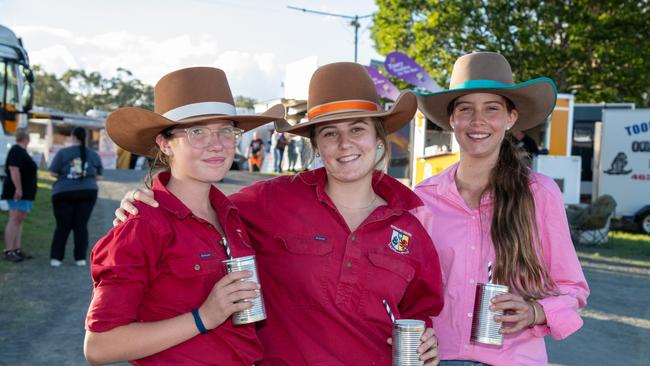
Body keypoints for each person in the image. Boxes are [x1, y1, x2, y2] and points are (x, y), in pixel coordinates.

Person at [116, 62, 444, 365]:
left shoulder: (410, 224)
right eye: (330, 133)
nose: (345, 144)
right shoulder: (270, 201)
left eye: (357, 129)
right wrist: (143, 198)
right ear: (316, 145)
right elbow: (196, 207)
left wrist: (427, 341)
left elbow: (419, 310)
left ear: (378, 138)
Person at [83, 67, 285, 365]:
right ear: (165, 144)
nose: (216, 144)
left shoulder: (233, 217)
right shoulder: (142, 224)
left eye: (226, 131)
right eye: (197, 131)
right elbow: (100, 346)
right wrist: (204, 317)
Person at [414, 52, 589, 365]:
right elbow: (409, 290)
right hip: (440, 358)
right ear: (452, 119)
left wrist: (535, 311)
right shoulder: (424, 199)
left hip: (513, 358)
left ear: (510, 118)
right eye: (465, 109)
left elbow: (572, 287)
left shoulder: (539, 194)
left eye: (491, 108)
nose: (477, 120)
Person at [48, 127, 104, 267]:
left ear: (72, 137)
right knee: (81, 226)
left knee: (62, 226)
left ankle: (56, 259)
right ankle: (80, 259)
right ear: (85, 138)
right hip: (88, 191)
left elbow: (53, 173)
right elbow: (98, 176)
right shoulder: (94, 154)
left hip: (63, 192)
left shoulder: (63, 153)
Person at [2, 128, 37, 262]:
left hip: (25, 193)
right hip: (18, 192)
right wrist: (18, 189)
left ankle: (16, 249)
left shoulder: (22, 151)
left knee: (19, 220)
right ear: (26, 138)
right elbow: (14, 169)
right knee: (14, 219)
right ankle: (9, 251)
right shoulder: (16, 150)